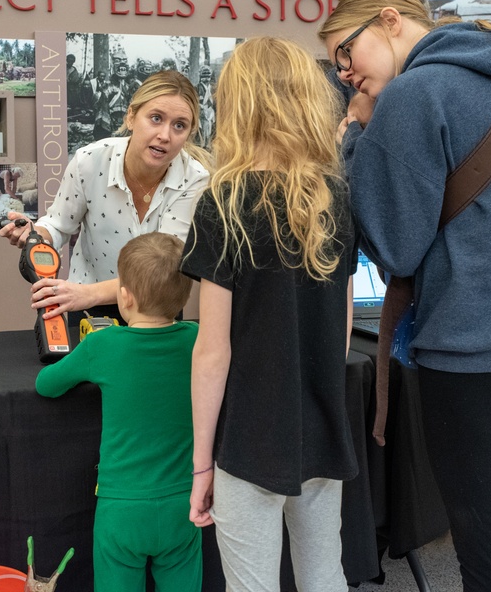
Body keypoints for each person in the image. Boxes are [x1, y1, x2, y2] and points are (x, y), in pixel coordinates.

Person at [318, 0, 491, 591]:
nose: (346, 74)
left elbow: (393, 248)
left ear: (389, 21)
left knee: (487, 551)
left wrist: (358, 137)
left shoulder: (416, 94)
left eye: (345, 52)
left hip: (476, 359)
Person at [180, 36, 357, 592]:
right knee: (324, 575)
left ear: (238, 105)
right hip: (323, 429)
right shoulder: (334, 195)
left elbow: (213, 351)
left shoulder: (224, 201)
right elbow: (343, 331)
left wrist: (201, 464)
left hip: (248, 439)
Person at [35, 232, 201, 591]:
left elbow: (46, 384)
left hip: (121, 508)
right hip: (183, 504)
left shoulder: (102, 344)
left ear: (123, 297)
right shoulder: (196, 340)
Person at [0, 69, 210, 324]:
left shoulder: (195, 178)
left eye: (179, 125)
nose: (165, 135)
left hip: (156, 308)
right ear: (131, 116)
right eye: (155, 118)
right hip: (88, 306)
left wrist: (85, 294)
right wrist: (35, 234)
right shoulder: (89, 161)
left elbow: (165, 266)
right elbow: (58, 225)